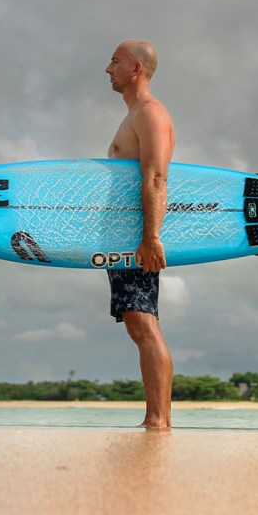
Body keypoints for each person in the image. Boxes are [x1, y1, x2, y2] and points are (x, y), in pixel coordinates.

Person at [104, 39, 175, 429]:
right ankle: (156, 418)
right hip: (124, 234)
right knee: (136, 319)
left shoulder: (150, 113)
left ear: (135, 69)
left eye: (115, 61)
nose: (107, 68)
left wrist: (150, 237)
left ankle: (158, 421)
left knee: (144, 319)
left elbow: (156, 176)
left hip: (137, 234)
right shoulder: (133, 115)